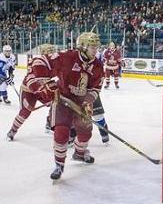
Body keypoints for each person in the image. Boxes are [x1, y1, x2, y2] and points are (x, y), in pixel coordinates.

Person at [39, 32, 105, 181]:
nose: (96, 49)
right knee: (61, 133)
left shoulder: (98, 66)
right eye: (92, 46)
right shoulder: (67, 56)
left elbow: (95, 89)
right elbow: (43, 62)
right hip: (62, 100)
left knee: (85, 133)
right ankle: (59, 165)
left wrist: (87, 102)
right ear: (82, 47)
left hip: (81, 104)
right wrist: (44, 83)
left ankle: (79, 154)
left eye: (96, 46)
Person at [7, 44, 57, 141]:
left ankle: (49, 123)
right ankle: (13, 130)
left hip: (42, 88)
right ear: (43, 53)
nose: (52, 54)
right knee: (25, 112)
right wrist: (42, 92)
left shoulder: (54, 63)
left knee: (56, 103)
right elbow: (31, 80)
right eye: (49, 52)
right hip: (29, 90)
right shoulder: (36, 62)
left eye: (53, 51)